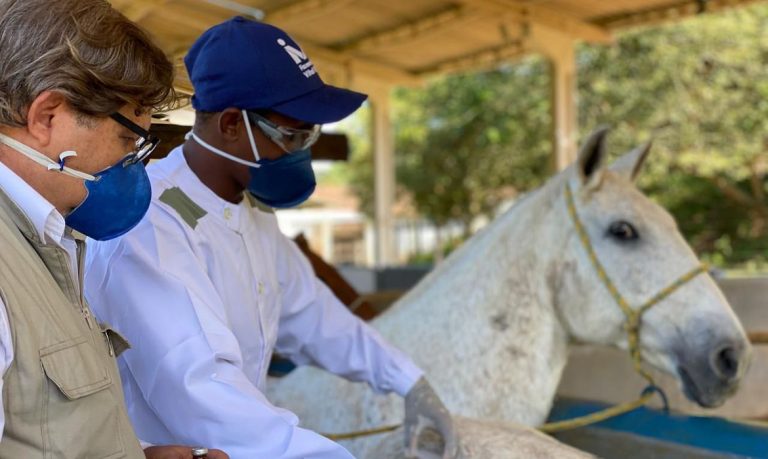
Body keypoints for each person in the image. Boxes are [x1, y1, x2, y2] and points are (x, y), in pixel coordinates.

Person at [84, 16, 459, 459]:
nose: (302, 152)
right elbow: (205, 389)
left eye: (310, 135)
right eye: (292, 136)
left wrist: (408, 380)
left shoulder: (252, 212)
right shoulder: (150, 222)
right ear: (230, 125)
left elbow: (314, 315)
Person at [0, 1, 227, 457]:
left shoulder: (48, 240)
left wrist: (131, 451)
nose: (131, 163)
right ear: (47, 116)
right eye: (128, 139)